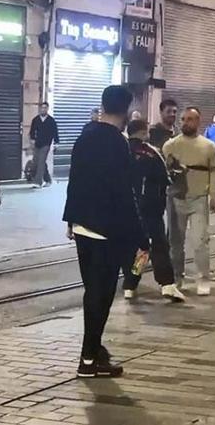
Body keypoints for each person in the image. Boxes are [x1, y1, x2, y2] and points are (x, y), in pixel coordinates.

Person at [63, 85, 149, 378]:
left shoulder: (85, 136)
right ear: (125, 111)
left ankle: (95, 351)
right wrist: (141, 235)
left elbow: (74, 181)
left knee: (93, 291)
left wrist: (70, 220)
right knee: (101, 295)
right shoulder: (118, 144)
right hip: (107, 230)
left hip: (82, 226)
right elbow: (126, 194)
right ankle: (88, 359)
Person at [121, 119, 186, 302]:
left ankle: (130, 284)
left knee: (138, 249)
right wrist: (177, 172)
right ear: (143, 132)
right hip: (150, 207)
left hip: (126, 209)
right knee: (158, 245)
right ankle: (167, 284)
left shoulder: (121, 150)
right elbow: (165, 178)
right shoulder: (151, 152)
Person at [163, 107, 215, 296]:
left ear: (198, 121)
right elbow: (164, 172)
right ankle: (177, 278)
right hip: (176, 199)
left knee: (200, 241)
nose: (185, 122)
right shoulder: (170, 145)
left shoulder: (209, 146)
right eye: (183, 119)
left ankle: (203, 278)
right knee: (175, 242)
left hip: (199, 199)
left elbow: (214, 171)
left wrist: (213, 195)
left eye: (190, 119)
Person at [29, 102, 59, 189]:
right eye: (42, 108)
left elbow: (55, 132)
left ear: (47, 109)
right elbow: (32, 131)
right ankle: (48, 179)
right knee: (37, 162)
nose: (43, 109)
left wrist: (56, 143)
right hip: (37, 143)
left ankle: (38, 182)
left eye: (45, 108)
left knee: (41, 161)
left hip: (46, 144)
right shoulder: (35, 120)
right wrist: (32, 139)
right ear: (40, 109)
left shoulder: (51, 120)